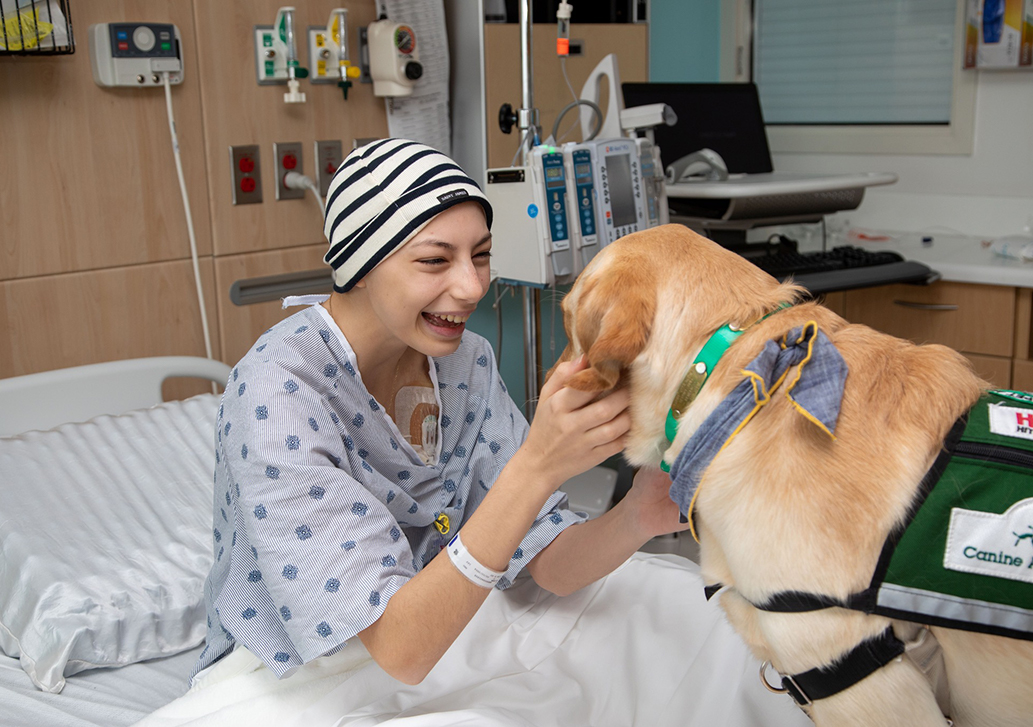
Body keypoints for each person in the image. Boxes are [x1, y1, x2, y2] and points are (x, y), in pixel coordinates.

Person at [193, 138, 691, 687]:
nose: (473, 286)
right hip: (306, 675)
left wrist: (641, 514)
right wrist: (537, 466)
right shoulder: (277, 395)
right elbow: (400, 650)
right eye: (435, 260)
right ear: (358, 265)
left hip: (447, 631)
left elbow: (547, 562)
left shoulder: (463, 365)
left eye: (480, 254)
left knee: (675, 615)